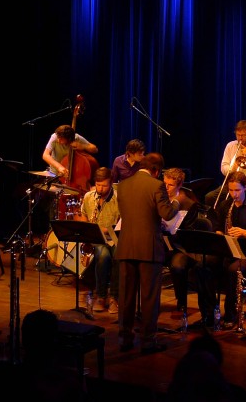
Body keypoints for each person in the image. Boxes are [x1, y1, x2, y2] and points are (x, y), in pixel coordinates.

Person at [115, 151, 180, 353]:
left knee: (126, 296)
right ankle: (148, 341)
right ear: (157, 171)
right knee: (149, 296)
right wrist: (177, 202)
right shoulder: (156, 185)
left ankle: (125, 338)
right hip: (149, 248)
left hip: (126, 245)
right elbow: (167, 214)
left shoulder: (123, 184)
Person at [196, 171, 246, 331]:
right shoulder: (226, 205)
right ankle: (209, 313)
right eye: (231, 190)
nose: (234, 194)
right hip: (228, 249)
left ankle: (231, 315)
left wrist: (244, 233)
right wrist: (220, 236)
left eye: (237, 190)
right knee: (203, 265)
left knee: (233, 270)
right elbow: (217, 228)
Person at [161, 166, 208, 319]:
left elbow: (188, 234)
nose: (166, 188)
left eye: (170, 185)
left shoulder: (188, 203)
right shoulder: (159, 198)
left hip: (180, 247)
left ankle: (181, 303)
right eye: (165, 183)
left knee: (178, 266)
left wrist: (170, 228)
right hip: (161, 243)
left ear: (179, 185)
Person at [75, 166, 120, 314]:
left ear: (111, 183)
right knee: (102, 256)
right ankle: (101, 297)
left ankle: (114, 297)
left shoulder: (118, 198)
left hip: (113, 238)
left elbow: (121, 223)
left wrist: (104, 229)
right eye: (98, 185)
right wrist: (86, 226)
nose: (100, 189)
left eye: (104, 185)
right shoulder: (89, 196)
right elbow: (83, 215)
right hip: (96, 238)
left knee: (118, 257)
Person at [206, 119, 246, 209]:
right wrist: (234, 165)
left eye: (243, 135)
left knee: (240, 201)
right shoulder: (230, 146)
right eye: (238, 135)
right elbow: (223, 168)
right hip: (233, 185)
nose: (240, 138)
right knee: (210, 197)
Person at [41, 123, 99, 194]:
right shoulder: (55, 137)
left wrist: (83, 146)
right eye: (58, 138)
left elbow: (95, 149)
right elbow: (45, 155)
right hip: (55, 175)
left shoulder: (76, 138)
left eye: (61, 139)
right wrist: (59, 167)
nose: (58, 141)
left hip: (74, 179)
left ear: (69, 138)